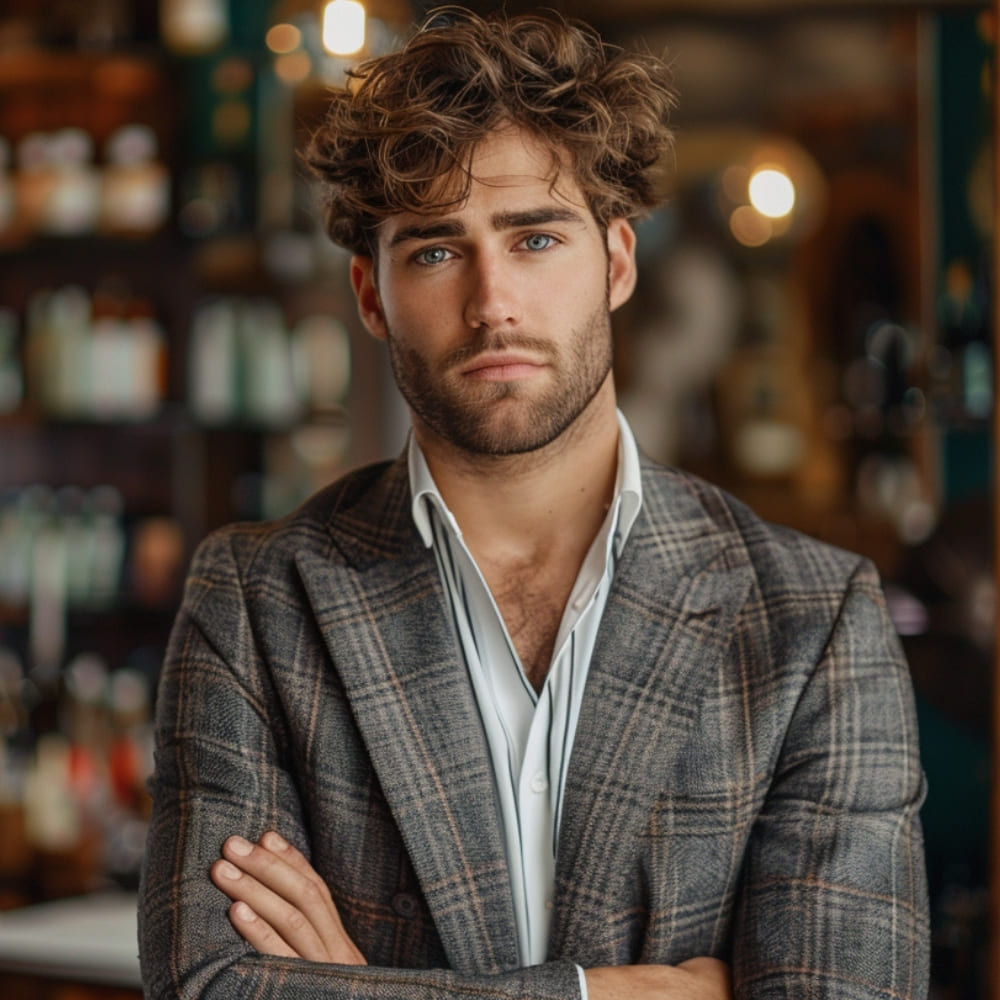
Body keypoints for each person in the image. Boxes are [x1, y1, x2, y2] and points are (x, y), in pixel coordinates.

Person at [138, 7, 929, 998]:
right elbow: (210, 985)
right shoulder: (256, 600)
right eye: (435, 251)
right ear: (371, 294)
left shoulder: (815, 619)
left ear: (618, 261)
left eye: (536, 238)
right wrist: (613, 993)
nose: (492, 303)